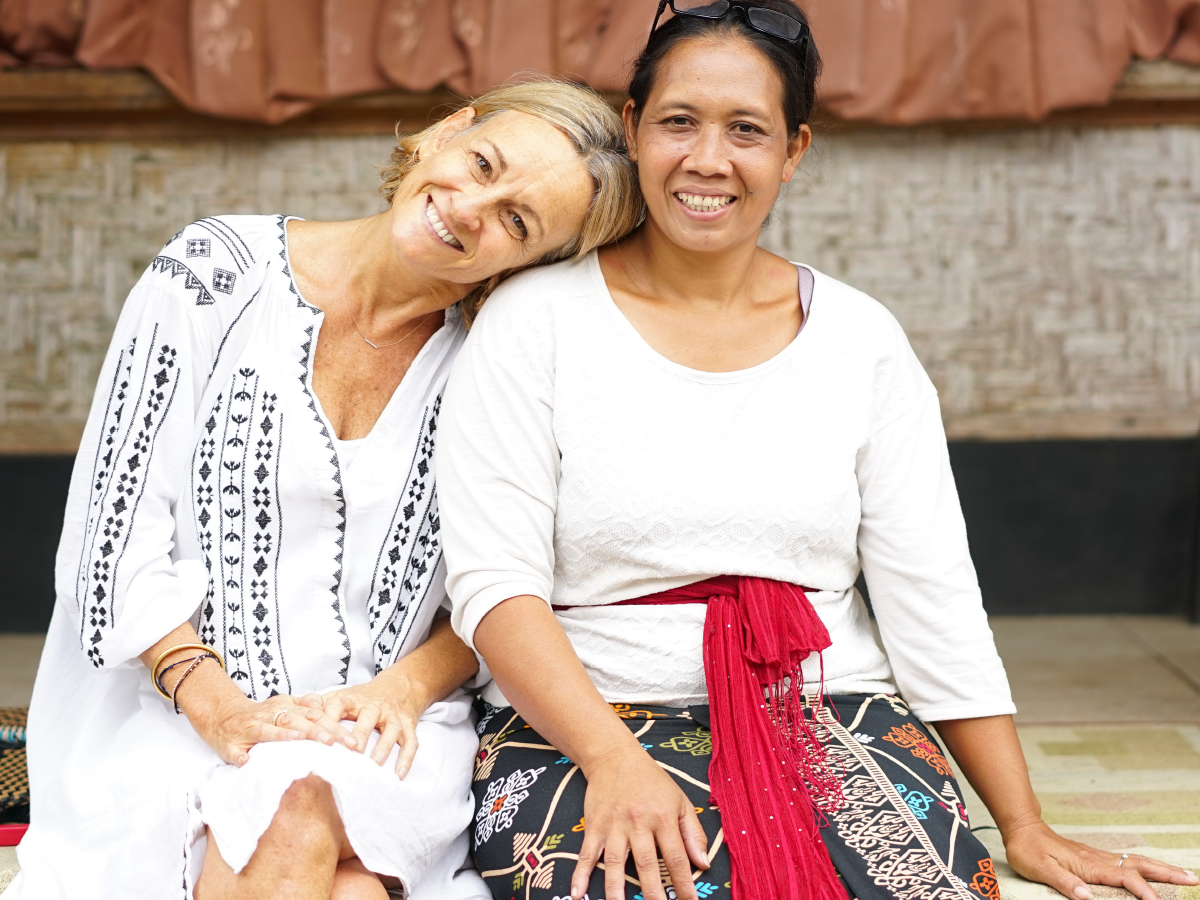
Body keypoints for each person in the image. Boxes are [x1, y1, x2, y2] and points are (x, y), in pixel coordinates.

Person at [437, 5, 1200, 900]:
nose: (708, 159)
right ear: (633, 127)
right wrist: (611, 760)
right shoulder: (535, 322)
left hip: (827, 710)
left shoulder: (860, 340)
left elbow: (932, 597)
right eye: (679, 121)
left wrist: (1023, 825)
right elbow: (496, 586)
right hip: (583, 721)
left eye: (746, 129)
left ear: (793, 150)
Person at [9, 79, 643, 900]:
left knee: (294, 807)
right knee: (337, 875)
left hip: (389, 726)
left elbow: (508, 585)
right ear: (447, 132)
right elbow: (110, 545)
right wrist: (224, 712)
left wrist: (399, 691)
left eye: (518, 223)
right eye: (483, 164)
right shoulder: (213, 274)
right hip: (167, 711)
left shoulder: (498, 364)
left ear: (532, 266)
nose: (470, 208)